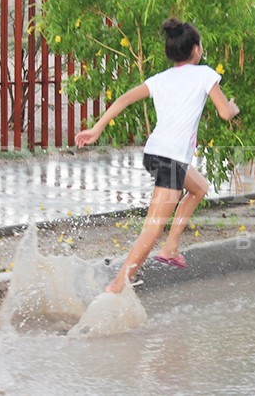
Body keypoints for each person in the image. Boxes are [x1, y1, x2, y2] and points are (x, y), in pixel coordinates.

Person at [75, 18, 240, 294]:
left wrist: (97, 127)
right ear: (196, 50)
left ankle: (171, 246)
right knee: (152, 229)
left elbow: (123, 99)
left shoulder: (160, 80)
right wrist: (233, 108)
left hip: (156, 153)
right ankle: (117, 286)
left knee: (199, 188)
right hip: (171, 158)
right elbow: (225, 112)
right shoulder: (205, 74)